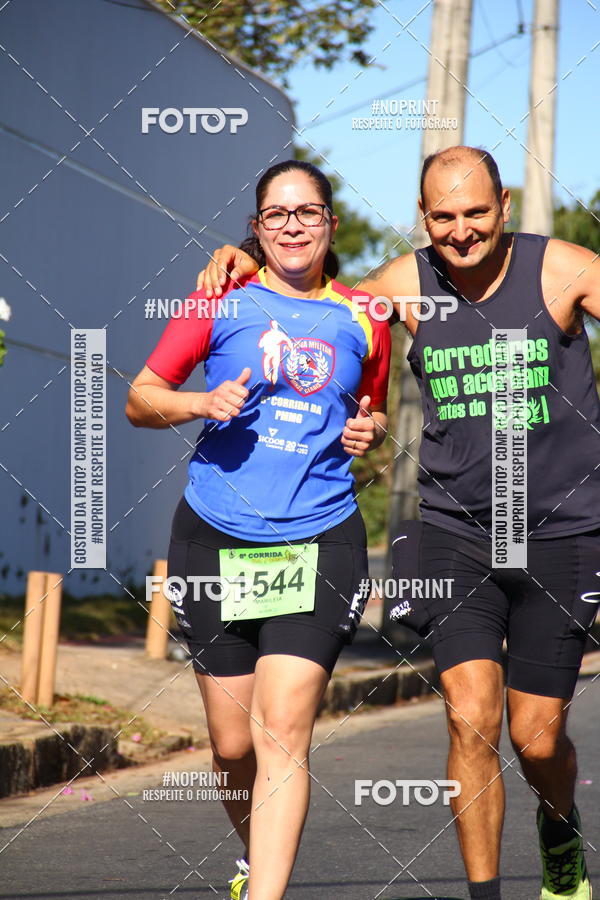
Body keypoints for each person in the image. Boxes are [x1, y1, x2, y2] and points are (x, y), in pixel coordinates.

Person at [198, 145, 600, 900]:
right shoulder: (400, 286)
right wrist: (241, 261)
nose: (462, 232)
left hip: (560, 530)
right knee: (472, 718)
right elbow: (307, 296)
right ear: (423, 217)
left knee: (536, 738)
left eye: (476, 213)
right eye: (443, 217)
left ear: (504, 205)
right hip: (453, 528)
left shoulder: (566, 269)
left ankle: (557, 826)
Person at [126, 159, 391, 900]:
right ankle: (254, 862)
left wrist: (371, 429)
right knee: (234, 744)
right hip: (215, 536)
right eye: (277, 215)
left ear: (331, 225)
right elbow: (140, 399)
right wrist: (201, 402)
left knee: (283, 732)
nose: (292, 226)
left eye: (307, 213)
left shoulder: (368, 316)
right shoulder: (219, 300)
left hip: (320, 538)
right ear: (255, 227)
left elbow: (369, 406)